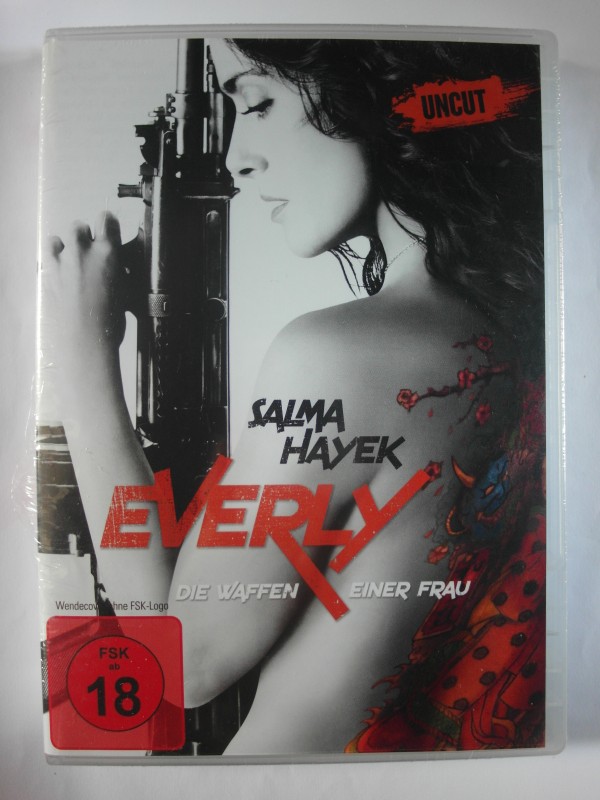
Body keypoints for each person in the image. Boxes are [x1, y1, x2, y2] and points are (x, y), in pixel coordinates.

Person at [47, 37, 545, 754]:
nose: (237, 159)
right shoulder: (523, 334)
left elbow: (183, 663)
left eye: (258, 103)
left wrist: (79, 355)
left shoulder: (340, 356)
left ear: (374, 93)